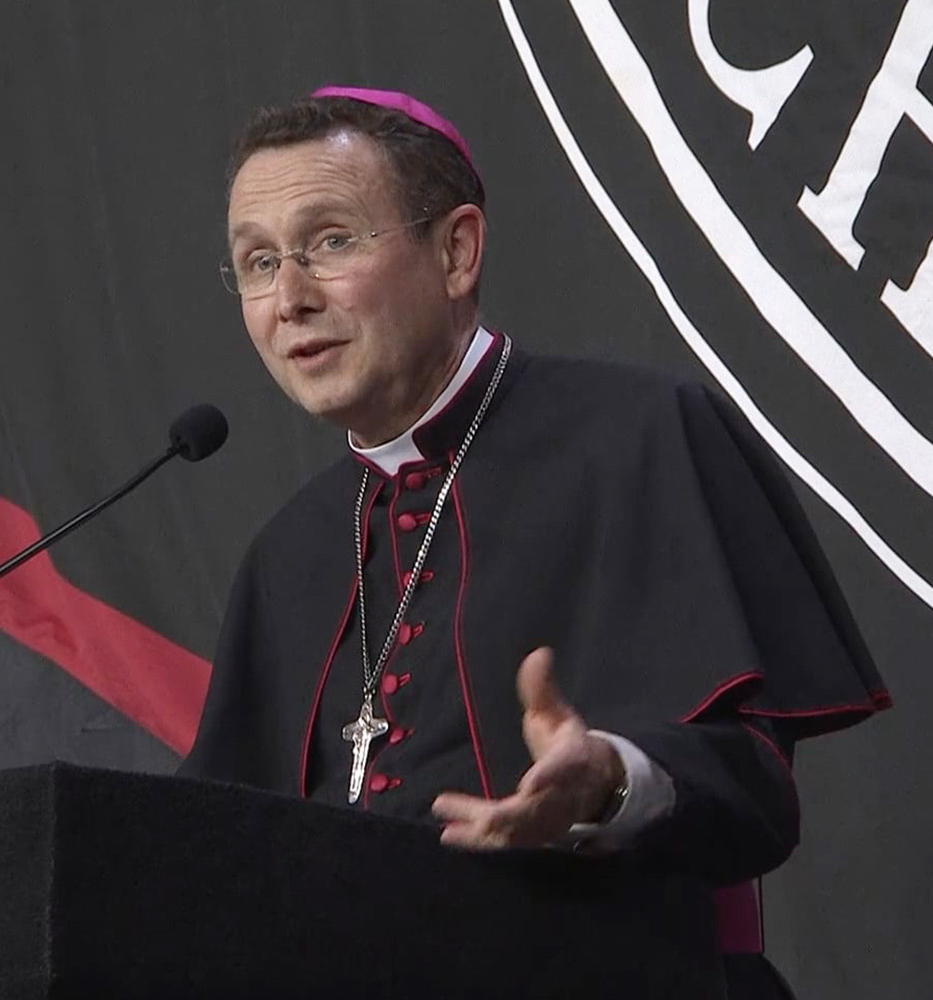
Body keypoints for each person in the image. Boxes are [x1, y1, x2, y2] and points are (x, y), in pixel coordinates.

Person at [180, 85, 890, 998]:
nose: (291, 298)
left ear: (456, 250)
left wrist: (609, 783)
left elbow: (754, 793)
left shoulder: (639, 435)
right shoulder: (288, 557)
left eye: (331, 241)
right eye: (258, 261)